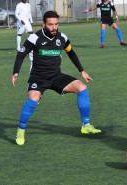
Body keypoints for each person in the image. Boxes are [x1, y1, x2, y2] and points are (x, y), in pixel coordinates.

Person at [12, 11, 102, 146]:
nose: (54, 27)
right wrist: (16, 72)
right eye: (50, 25)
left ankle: (86, 125)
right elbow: (21, 55)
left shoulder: (62, 38)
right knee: (33, 99)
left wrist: (81, 70)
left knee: (82, 88)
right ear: (43, 24)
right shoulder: (34, 38)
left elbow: (71, 53)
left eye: (56, 24)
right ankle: (21, 130)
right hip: (38, 78)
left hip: (56, 76)